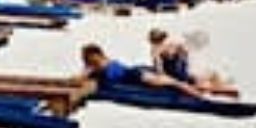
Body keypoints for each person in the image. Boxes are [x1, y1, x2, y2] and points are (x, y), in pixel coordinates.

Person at [84, 41, 238, 104]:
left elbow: (82, 76)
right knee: (176, 83)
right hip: (136, 74)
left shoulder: (98, 66)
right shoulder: (100, 65)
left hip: (137, 74)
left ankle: (206, 95)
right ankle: (215, 91)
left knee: (176, 83)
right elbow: (83, 76)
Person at [146, 28, 240, 98]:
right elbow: (185, 57)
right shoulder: (174, 45)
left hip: (177, 75)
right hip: (182, 73)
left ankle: (216, 88)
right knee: (210, 75)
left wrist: (162, 78)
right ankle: (220, 87)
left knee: (200, 80)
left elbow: (160, 70)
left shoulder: (156, 50)